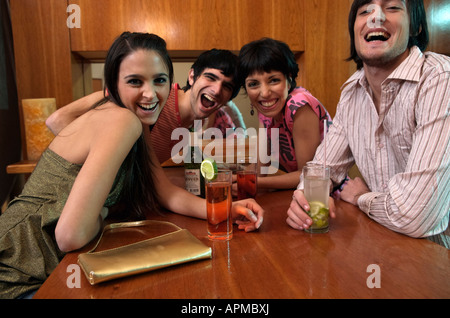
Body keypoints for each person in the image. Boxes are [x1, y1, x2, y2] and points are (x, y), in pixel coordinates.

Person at [0, 32, 263, 299]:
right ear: (113, 84)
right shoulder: (122, 121)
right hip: (16, 273)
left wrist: (226, 209)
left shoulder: (138, 123)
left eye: (159, 80)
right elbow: (69, 236)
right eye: (135, 81)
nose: (150, 94)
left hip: (44, 268)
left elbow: (166, 192)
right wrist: (101, 212)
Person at [288, 0, 449, 248]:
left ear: (416, 27)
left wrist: (361, 197)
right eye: (364, 11)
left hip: (434, 258)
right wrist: (303, 198)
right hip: (379, 247)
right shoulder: (352, 92)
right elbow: (321, 169)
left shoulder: (439, 80)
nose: (376, 17)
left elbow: (416, 216)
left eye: (392, 7)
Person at [46, 49, 246, 164]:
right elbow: (58, 120)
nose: (217, 89)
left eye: (227, 86)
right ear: (192, 76)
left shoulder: (196, 123)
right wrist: (101, 170)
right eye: (210, 77)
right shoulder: (154, 96)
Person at [237, 37, 333, 190]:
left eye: (274, 80)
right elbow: (261, 164)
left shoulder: (300, 106)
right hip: (298, 195)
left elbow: (308, 174)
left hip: (327, 195)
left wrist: (255, 183)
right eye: (254, 84)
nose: (265, 93)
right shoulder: (265, 111)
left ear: (288, 77)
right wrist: (231, 178)